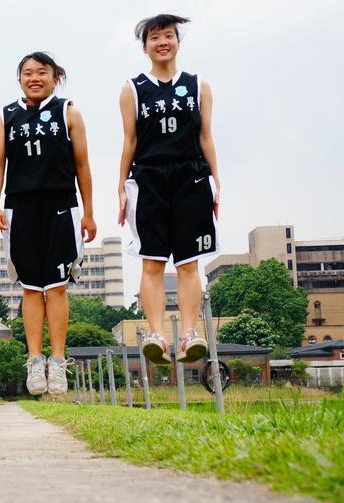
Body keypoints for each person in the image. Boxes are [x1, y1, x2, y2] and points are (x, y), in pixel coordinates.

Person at [0, 52, 96, 396]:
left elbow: (82, 164)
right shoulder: (6, 115)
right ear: (19, 79)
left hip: (61, 204)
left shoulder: (68, 112)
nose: (34, 78)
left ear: (55, 77)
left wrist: (89, 211)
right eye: (27, 73)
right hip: (20, 206)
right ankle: (35, 359)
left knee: (58, 286)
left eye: (41, 72)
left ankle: (58, 360)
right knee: (31, 287)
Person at [118, 14, 220, 364]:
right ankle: (156, 334)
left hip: (191, 176)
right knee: (152, 263)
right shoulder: (133, 89)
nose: (162, 42)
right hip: (149, 179)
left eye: (168, 36)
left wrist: (216, 182)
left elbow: (205, 136)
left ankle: (190, 334)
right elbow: (130, 141)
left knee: (189, 262)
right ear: (144, 47)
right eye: (155, 37)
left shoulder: (198, 85)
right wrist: (121, 187)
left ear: (177, 41)